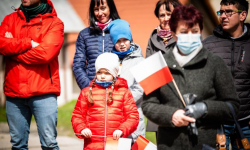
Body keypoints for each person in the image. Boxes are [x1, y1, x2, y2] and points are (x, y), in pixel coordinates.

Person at [141, 5, 240, 150]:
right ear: (174, 34)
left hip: (205, 144)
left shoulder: (215, 63)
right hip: (169, 144)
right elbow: (148, 105)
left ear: (200, 31)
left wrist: (205, 108)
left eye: (194, 31)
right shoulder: (158, 64)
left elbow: (232, 105)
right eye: (183, 31)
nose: (190, 36)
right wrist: (171, 115)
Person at [0, 0, 64, 149]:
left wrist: (12, 51)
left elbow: (45, 54)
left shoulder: (55, 23)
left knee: (49, 144)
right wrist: (28, 43)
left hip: (44, 93)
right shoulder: (10, 19)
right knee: (17, 145)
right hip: (14, 94)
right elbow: (1, 44)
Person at [203, 0, 250, 149]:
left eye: (228, 12)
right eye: (221, 12)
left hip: (246, 123)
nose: (223, 16)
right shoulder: (207, 45)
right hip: (216, 123)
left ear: (242, 15)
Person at [71, 53, 139, 150]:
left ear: (114, 73)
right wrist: (82, 128)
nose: (102, 76)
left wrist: (122, 129)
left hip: (117, 144)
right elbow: (77, 115)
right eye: (99, 72)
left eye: (107, 73)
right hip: (92, 145)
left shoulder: (124, 92)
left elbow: (133, 116)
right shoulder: (86, 92)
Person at [145, 0, 181, 137]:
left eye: (169, 14)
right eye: (162, 15)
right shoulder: (153, 38)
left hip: (180, 99)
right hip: (160, 100)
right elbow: (149, 69)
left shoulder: (186, 36)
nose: (166, 19)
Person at [108, 19, 145, 142]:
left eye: (125, 40)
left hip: (133, 113)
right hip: (113, 115)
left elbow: (140, 88)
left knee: (135, 145)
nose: (122, 44)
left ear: (130, 39)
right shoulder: (109, 60)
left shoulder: (140, 61)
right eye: (118, 41)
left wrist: (122, 101)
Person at [73, 0, 120, 90]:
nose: (100, 13)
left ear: (110, 8)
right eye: (96, 9)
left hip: (116, 91)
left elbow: (127, 61)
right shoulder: (84, 34)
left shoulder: (120, 31)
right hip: (92, 91)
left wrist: (119, 87)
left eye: (103, 8)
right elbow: (78, 65)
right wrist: (88, 88)